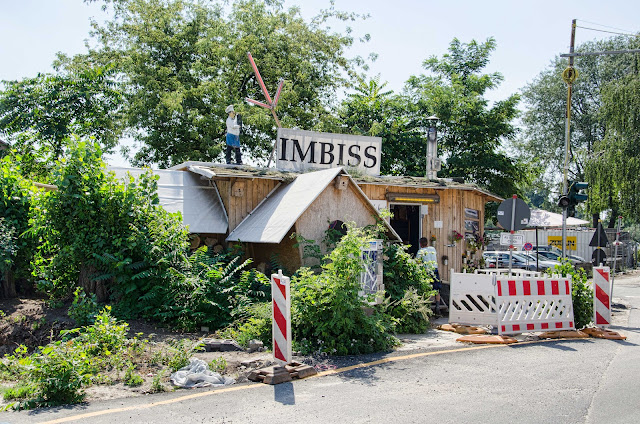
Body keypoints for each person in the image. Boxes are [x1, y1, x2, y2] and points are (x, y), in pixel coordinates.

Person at [416, 237, 444, 311]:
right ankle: (437, 306)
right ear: (427, 242)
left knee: (426, 288)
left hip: (427, 271)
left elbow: (417, 262)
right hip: (435, 270)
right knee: (437, 289)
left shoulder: (420, 251)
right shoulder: (432, 249)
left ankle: (426, 306)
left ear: (420, 244)